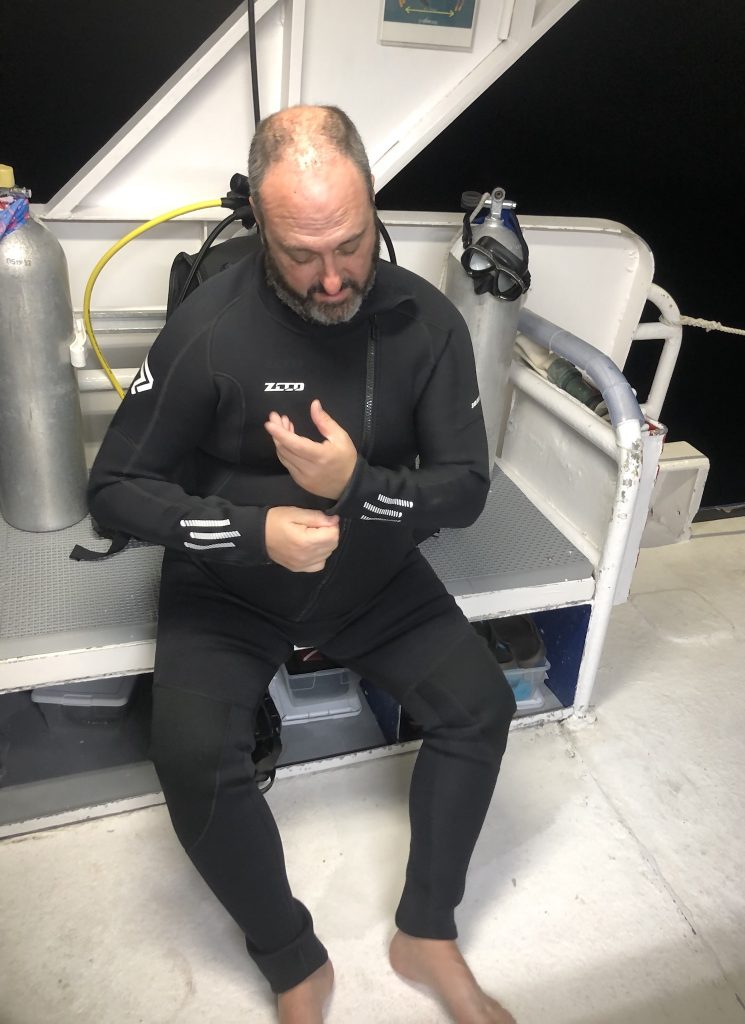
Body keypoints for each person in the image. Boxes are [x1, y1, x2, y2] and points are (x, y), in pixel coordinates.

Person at [87, 105, 516, 1024]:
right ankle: (292, 963)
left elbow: (465, 493)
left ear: (373, 206)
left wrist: (358, 485)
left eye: (351, 245)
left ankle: (427, 933)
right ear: (260, 228)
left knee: (480, 707)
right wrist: (253, 533)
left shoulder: (428, 323)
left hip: (371, 576)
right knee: (191, 756)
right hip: (230, 582)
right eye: (299, 254)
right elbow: (114, 491)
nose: (331, 278)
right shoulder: (208, 326)